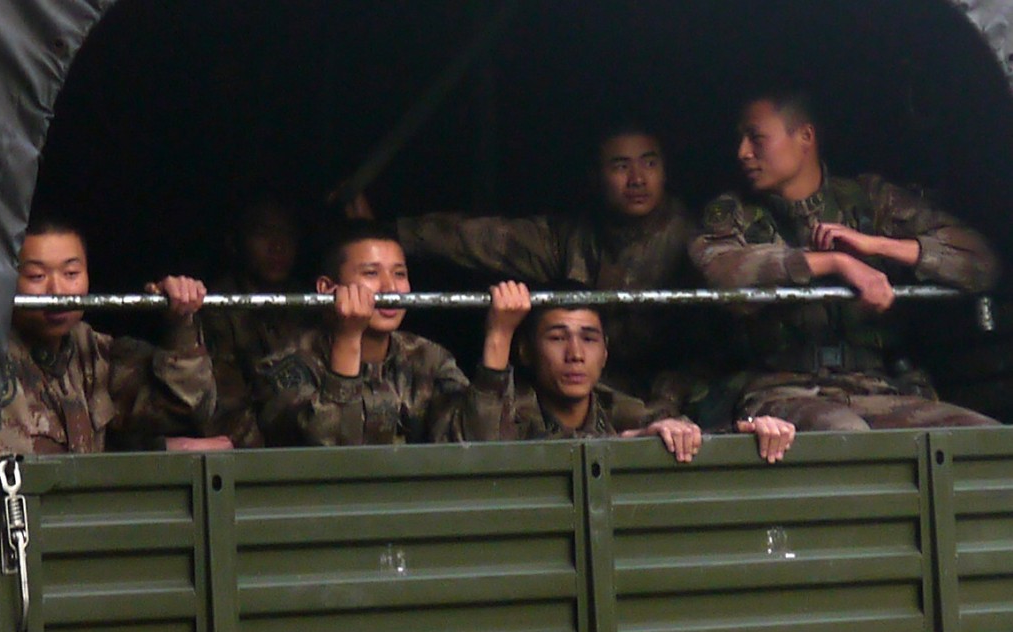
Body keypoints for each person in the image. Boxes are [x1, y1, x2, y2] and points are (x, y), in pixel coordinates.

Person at [690, 92, 1000, 431]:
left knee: (984, 438)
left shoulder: (869, 200)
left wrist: (879, 245)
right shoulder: (735, 213)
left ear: (805, 136)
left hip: (877, 387)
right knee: (846, 435)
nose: (743, 152)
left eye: (757, 138)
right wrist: (835, 262)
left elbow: (981, 263)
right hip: (781, 391)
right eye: (741, 140)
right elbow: (720, 271)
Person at [392, 124, 710, 412]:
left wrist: (667, 402)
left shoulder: (694, 239)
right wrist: (390, 234)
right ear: (596, 177)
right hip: (590, 396)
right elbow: (481, 239)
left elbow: (710, 346)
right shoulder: (571, 238)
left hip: (678, 395)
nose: (637, 179)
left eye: (649, 163)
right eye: (621, 166)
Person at [435, 281, 795, 463]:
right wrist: (499, 334)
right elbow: (477, 448)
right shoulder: (508, 409)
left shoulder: (617, 408)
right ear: (526, 352)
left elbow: (682, 433)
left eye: (589, 339)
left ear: (605, 352)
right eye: (557, 338)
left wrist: (750, 432)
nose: (575, 355)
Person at [0, 215, 221, 456]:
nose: (57, 291)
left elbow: (185, 405)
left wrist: (180, 322)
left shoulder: (95, 353)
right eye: (36, 276)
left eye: (71, 273)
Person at [254, 221, 468, 446]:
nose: (390, 288)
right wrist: (348, 339)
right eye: (371, 273)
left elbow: (473, 443)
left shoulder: (429, 358)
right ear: (327, 288)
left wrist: (494, 341)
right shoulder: (290, 364)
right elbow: (331, 453)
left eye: (399, 274)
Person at [200, 196, 316, 448]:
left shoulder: (311, 303)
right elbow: (224, 407)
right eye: (263, 233)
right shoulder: (216, 307)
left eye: (287, 234)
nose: (278, 246)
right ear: (234, 242)